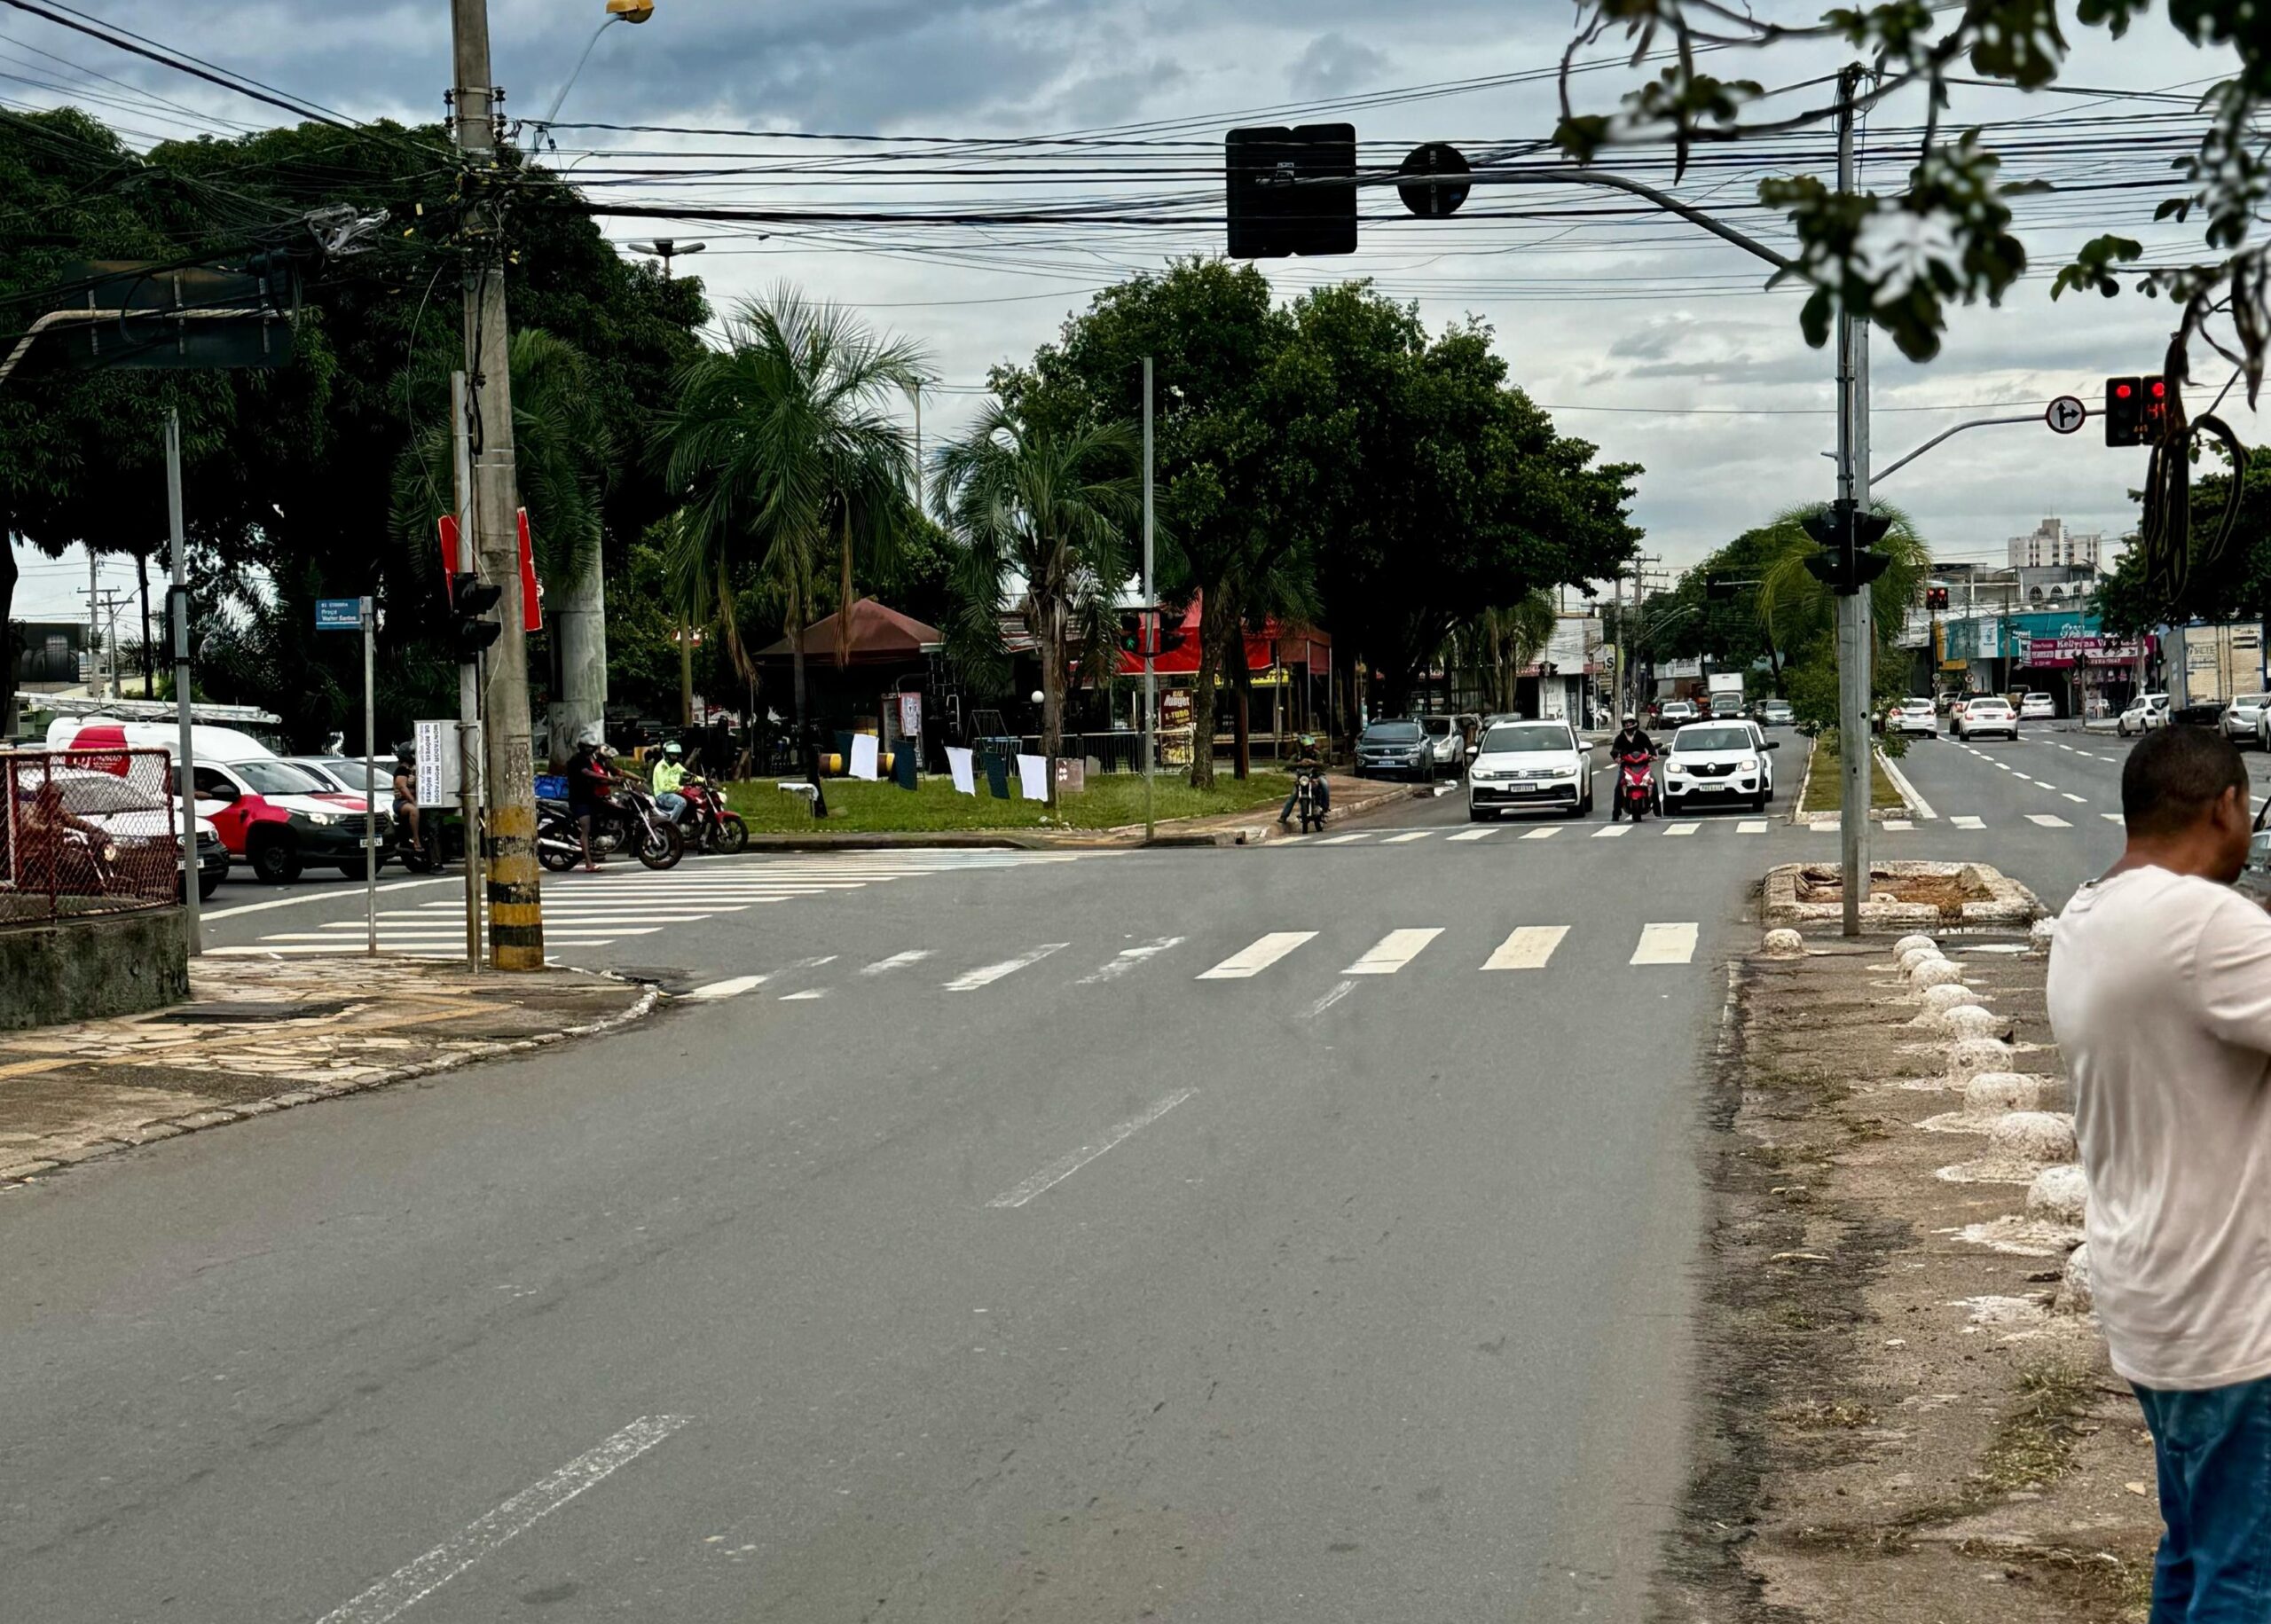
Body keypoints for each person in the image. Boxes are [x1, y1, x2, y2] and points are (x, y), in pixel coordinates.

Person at [2046, 726, 2271, 1621]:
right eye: (2248, 808)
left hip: (2150, 1294)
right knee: (2244, 1577)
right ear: (2223, 807)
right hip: (2230, 1313)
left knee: (2193, 1548)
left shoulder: (2086, 916)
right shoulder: (2203, 926)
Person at [567, 737, 616, 870]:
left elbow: (598, 777)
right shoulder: (578, 760)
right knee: (585, 830)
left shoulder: (590, 760)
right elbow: (588, 774)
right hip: (579, 799)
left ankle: (598, 851)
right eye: (589, 746)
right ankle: (589, 864)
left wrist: (611, 781)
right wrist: (609, 779)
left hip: (590, 798)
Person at [1277, 735, 1330, 827]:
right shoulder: (1297, 755)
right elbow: (1288, 764)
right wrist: (1299, 763)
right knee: (1294, 794)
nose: (1309, 748)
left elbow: (1323, 765)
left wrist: (1314, 763)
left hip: (1317, 776)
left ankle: (1325, 809)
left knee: (1324, 784)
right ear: (1301, 746)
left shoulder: (1316, 754)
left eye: (1310, 746)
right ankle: (1283, 816)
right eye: (1306, 746)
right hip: (1303, 778)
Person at [390, 751, 420, 858]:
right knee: (414, 810)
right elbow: (402, 787)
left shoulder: (413, 769)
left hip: (415, 800)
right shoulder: (401, 770)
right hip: (401, 802)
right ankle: (416, 839)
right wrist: (413, 801)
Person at [650, 740, 688, 823]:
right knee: (681, 802)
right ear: (667, 754)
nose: (675, 757)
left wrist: (703, 781)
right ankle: (671, 826)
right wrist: (680, 788)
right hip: (662, 795)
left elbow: (687, 774)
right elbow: (664, 787)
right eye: (672, 755)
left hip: (674, 793)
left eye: (676, 755)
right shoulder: (660, 767)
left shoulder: (676, 766)